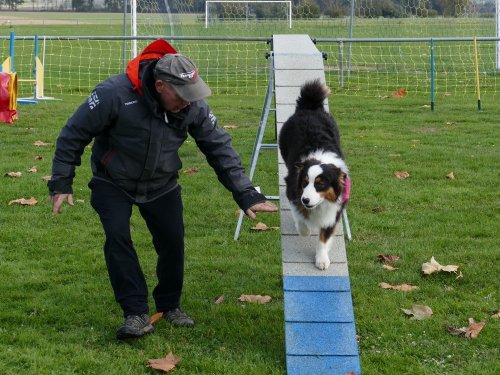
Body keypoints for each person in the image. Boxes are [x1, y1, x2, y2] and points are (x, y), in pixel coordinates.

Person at [48, 39, 277, 340]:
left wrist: (246, 193)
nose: (188, 101)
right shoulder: (112, 94)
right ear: (159, 85)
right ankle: (135, 313)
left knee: (173, 243)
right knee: (118, 238)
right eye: (181, 95)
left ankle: (170, 305)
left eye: (192, 94)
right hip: (112, 180)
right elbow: (72, 134)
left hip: (162, 183)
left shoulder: (192, 105)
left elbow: (219, 147)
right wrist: (62, 182)